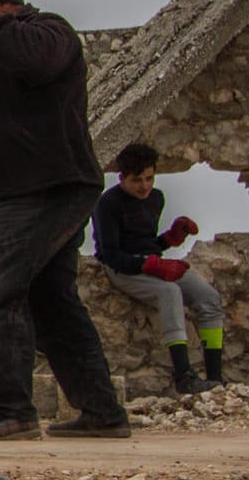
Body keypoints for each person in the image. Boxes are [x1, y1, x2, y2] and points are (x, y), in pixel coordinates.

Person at [0, 0, 129, 440]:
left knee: (2, 292)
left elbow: (36, 63)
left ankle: (12, 412)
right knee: (53, 303)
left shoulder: (47, 31)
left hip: (45, 187)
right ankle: (102, 413)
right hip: (19, 191)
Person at [93, 142, 226, 394]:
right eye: (137, 180)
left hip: (150, 264)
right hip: (125, 270)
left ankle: (215, 379)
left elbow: (147, 244)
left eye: (149, 178)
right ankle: (184, 376)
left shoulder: (156, 198)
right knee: (169, 292)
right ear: (122, 178)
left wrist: (171, 238)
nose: (145, 186)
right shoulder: (108, 204)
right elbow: (111, 256)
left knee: (209, 298)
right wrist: (150, 264)